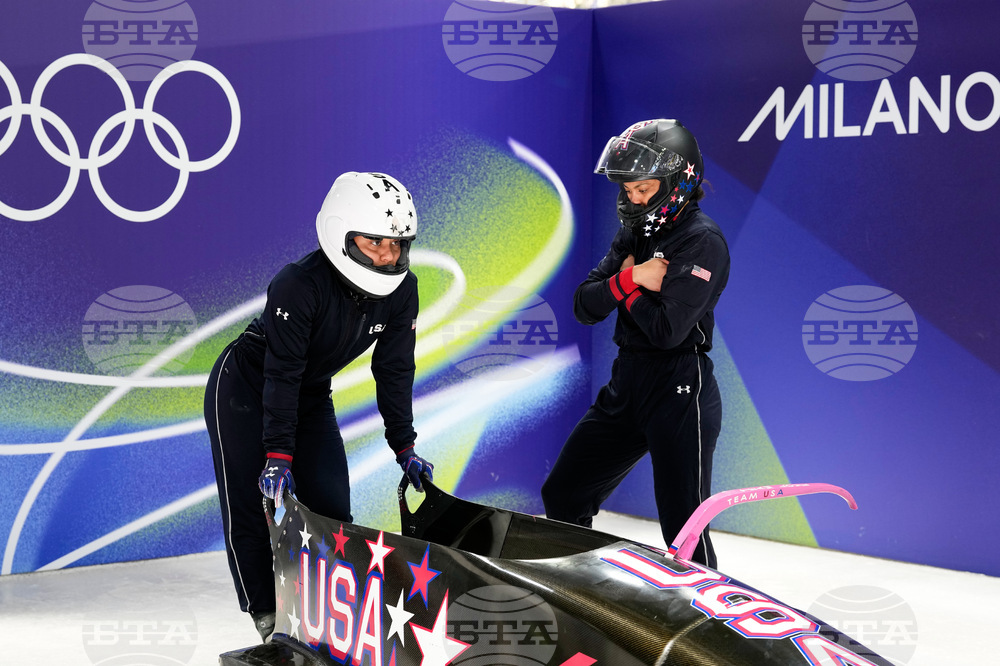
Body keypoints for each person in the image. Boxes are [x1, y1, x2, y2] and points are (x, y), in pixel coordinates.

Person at [204, 171, 434, 641]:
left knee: (331, 508)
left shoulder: (403, 289)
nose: (388, 256)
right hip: (245, 387)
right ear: (339, 232)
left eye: (397, 244)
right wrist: (278, 454)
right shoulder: (298, 284)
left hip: (309, 393)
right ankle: (267, 620)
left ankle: (328, 617)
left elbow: (394, 370)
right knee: (253, 506)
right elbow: (282, 373)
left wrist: (405, 446)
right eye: (375, 242)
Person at [541, 119, 729, 568]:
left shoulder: (702, 241)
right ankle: (582, 591)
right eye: (628, 190)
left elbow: (667, 331)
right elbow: (584, 305)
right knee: (564, 494)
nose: (633, 199)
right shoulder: (635, 232)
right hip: (627, 381)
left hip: (680, 388)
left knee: (684, 531)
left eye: (642, 189)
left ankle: (707, 609)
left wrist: (622, 286)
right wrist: (635, 279)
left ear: (677, 182)